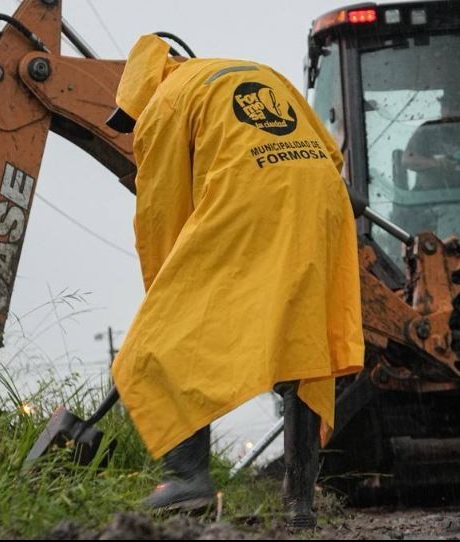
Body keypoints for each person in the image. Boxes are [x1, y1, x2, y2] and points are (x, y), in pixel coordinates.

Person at [105, 34, 364, 528]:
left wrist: (167, 295)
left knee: (161, 341)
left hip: (253, 196)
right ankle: (300, 503)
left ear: (141, 90)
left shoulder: (163, 104)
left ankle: (187, 480)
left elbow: (162, 212)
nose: (133, 125)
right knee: (301, 345)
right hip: (322, 201)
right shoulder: (254, 73)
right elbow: (330, 158)